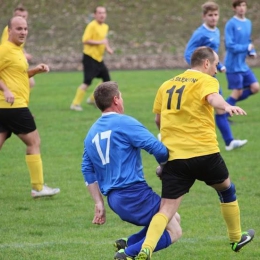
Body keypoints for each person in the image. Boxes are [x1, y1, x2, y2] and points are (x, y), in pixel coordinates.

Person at [135, 47, 255, 260]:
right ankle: (236, 238)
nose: (217, 70)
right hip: (205, 153)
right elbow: (212, 99)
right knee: (227, 189)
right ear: (206, 63)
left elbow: (157, 120)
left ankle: (146, 249)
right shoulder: (207, 81)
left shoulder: (167, 84)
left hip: (175, 158)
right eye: (216, 64)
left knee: (166, 210)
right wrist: (226, 106)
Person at [81, 81, 182, 260]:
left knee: (174, 217)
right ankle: (127, 254)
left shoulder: (91, 133)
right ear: (116, 100)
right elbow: (157, 149)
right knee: (175, 230)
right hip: (134, 194)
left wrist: (98, 203)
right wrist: (165, 166)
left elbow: (87, 170)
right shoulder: (124, 122)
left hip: (114, 200)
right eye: (121, 96)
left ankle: (128, 242)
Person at [0, 16, 60, 198]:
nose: (23, 32)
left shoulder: (17, 50)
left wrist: (35, 71)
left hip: (6, 107)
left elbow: (18, 75)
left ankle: (38, 187)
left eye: (25, 29)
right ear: (9, 31)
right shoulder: (4, 50)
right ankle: (38, 187)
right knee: (34, 142)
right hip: (13, 105)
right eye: (19, 29)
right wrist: (6, 90)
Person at [184, 1, 247, 151]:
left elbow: (210, 54)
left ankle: (229, 141)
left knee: (217, 109)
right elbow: (188, 53)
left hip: (211, 75)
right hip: (200, 77)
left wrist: (219, 65)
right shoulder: (200, 33)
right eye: (210, 15)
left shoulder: (217, 31)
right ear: (204, 16)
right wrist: (197, 70)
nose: (213, 18)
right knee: (196, 108)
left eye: (216, 15)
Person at [70, 6, 113, 111]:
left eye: (103, 13)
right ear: (95, 15)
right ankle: (75, 104)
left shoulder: (105, 26)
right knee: (87, 81)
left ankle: (92, 99)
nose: (102, 15)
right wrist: (100, 43)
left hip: (99, 58)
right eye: (99, 13)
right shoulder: (91, 26)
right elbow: (85, 40)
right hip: (89, 57)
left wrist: (108, 48)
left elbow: (104, 39)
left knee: (106, 80)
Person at [224, 0, 259, 106]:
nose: (241, 8)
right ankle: (223, 111)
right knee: (237, 91)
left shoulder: (248, 23)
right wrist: (246, 47)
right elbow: (230, 45)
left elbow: (248, 41)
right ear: (234, 8)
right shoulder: (231, 24)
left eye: (243, 5)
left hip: (243, 64)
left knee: (255, 87)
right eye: (239, 6)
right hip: (233, 65)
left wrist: (251, 51)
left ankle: (225, 105)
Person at [1, 6, 35, 89]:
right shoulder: (10, 30)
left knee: (28, 83)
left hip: (17, 59)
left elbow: (18, 47)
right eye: (19, 16)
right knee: (28, 82)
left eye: (24, 16)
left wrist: (25, 53)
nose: (22, 18)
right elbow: (7, 45)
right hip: (10, 60)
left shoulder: (22, 31)